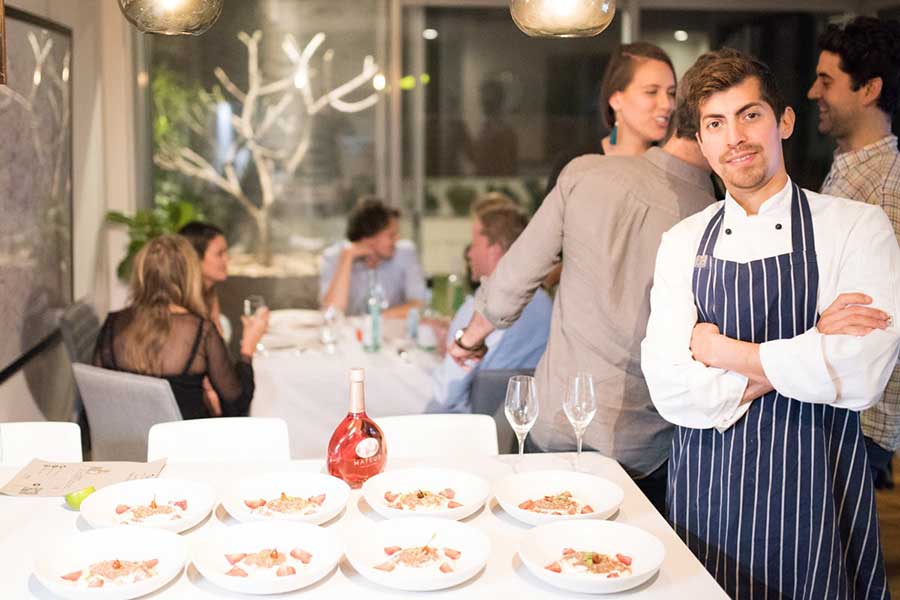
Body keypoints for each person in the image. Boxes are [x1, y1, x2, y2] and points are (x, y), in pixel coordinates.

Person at [641, 49, 898, 598]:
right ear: (702, 139)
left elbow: (861, 374)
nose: (735, 137)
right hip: (706, 494)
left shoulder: (855, 227)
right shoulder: (682, 243)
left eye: (749, 114)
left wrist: (723, 352)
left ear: (783, 121)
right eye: (716, 123)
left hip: (815, 491)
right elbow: (669, 389)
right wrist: (811, 346)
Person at [448, 52, 718, 512]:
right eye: (651, 92)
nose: (664, 105)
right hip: (646, 442)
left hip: (564, 421)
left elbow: (516, 274)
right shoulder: (712, 210)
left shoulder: (585, 176)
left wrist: (469, 339)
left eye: (671, 94)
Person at [807, 16, 900, 489]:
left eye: (827, 81)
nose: (812, 93)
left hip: (858, 421)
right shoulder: (851, 170)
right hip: (839, 408)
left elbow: (876, 318)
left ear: (869, 90)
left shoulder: (887, 184)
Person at [94, 235, 269, 420]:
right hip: (182, 445)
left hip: (122, 443)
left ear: (141, 275)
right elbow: (236, 403)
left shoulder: (113, 324)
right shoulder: (199, 332)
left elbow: (98, 394)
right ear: (189, 277)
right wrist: (248, 346)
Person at [430, 202, 552, 413]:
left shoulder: (485, 308)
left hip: (473, 423)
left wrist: (450, 348)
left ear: (494, 252)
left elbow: (446, 392)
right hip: (526, 417)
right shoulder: (544, 303)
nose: (469, 253)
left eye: (474, 244)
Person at [545, 42, 677, 195]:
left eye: (671, 93)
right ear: (616, 99)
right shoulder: (574, 164)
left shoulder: (671, 171)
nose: (667, 104)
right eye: (651, 92)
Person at [320, 197, 427, 318]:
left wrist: (374, 320)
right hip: (349, 334)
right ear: (368, 239)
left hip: (392, 331)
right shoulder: (334, 257)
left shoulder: (405, 253)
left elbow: (419, 306)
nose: (397, 239)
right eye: (391, 235)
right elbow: (331, 311)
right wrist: (347, 258)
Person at [178, 222, 229, 337]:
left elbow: (218, 339)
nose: (227, 258)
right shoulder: (180, 305)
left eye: (226, 252)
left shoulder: (209, 291)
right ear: (195, 258)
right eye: (220, 254)